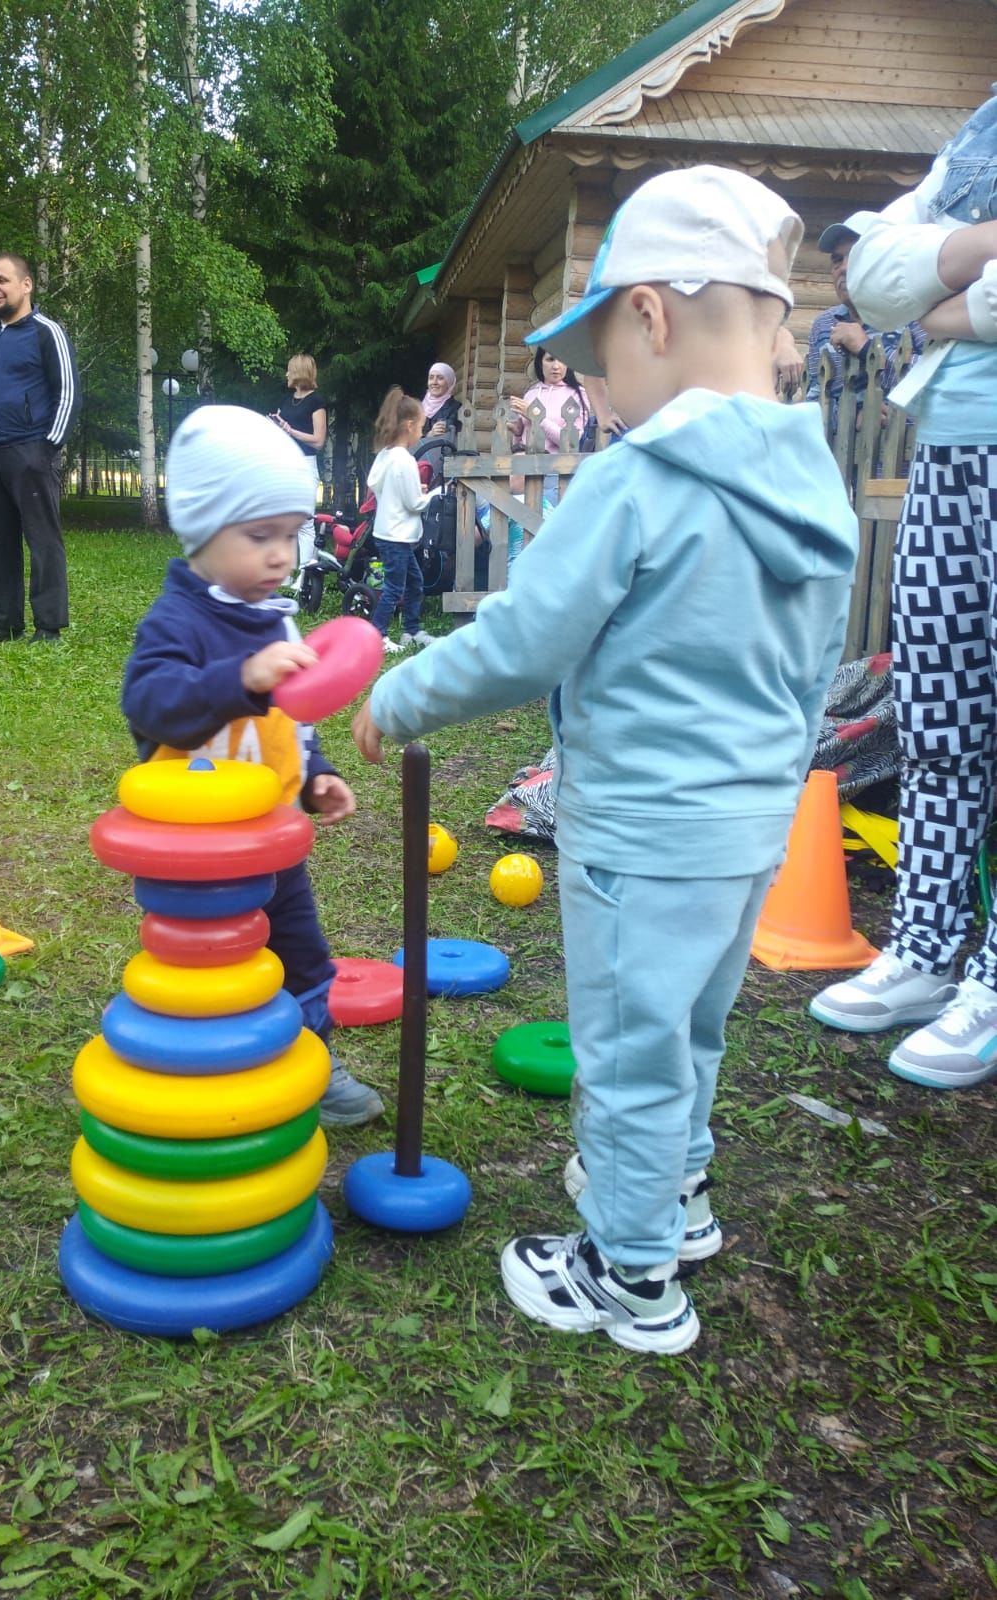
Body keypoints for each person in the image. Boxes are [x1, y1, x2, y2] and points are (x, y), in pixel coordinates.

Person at [352, 166, 858, 1354]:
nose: (596, 390)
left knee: (628, 1051)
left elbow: (525, 641)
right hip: (745, 835)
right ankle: (673, 1203)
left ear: (651, 314)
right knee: (688, 1031)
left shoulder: (637, 480)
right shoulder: (811, 484)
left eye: (597, 360)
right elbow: (810, 675)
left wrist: (404, 694)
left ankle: (629, 1275)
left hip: (638, 829)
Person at [121, 405, 384, 1128]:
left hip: (268, 838)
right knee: (205, 965)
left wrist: (317, 773)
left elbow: (288, 717)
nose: (281, 556)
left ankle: (310, 1060)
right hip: (196, 853)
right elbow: (149, 705)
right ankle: (198, 1062)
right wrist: (242, 676)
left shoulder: (274, 617)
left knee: (302, 953)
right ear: (204, 530)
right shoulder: (178, 622)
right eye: (260, 536)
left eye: (292, 537)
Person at [809, 93, 997, 1091]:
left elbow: (904, 288)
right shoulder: (980, 123)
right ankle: (924, 949)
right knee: (935, 711)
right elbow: (871, 278)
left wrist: (935, 280)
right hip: (947, 440)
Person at [0, 253, 80, 643]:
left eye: (2, 280)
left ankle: (48, 627)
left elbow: (68, 391)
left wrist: (46, 447)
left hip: (29, 451)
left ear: (26, 285)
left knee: (42, 540)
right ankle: (4, 624)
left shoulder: (46, 331)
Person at [805, 222, 924, 433]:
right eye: (837, 260)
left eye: (855, 256)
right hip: (841, 464)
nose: (843, 268)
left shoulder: (913, 313)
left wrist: (867, 350)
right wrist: (851, 417)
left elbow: (935, 388)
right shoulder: (824, 325)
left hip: (905, 462)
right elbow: (814, 402)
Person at [366, 387, 435, 655]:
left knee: (414, 583)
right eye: (420, 426)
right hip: (398, 536)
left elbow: (389, 490)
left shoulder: (385, 454)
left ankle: (411, 631)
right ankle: (378, 636)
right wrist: (435, 495)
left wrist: (418, 493)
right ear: (409, 425)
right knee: (395, 588)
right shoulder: (405, 460)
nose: (421, 431)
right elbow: (414, 503)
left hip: (388, 532)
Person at [269, 354, 326, 584]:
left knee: (304, 522)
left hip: (305, 464)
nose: (286, 374)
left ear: (300, 372)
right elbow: (283, 430)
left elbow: (319, 440)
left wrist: (289, 430)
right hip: (285, 464)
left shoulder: (317, 401)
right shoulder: (287, 399)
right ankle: (284, 573)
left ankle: (304, 577)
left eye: (289, 370)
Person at [509, 347, 590, 453]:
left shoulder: (577, 394)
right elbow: (520, 445)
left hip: (558, 466)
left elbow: (570, 443)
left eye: (562, 360)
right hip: (525, 464)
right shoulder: (531, 393)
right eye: (550, 359)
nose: (556, 366)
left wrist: (536, 417)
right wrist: (518, 433)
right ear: (540, 363)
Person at [420, 363, 461, 442]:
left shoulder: (457, 409)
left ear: (449, 382)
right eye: (431, 378)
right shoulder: (419, 407)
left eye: (440, 378)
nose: (434, 382)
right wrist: (428, 435)